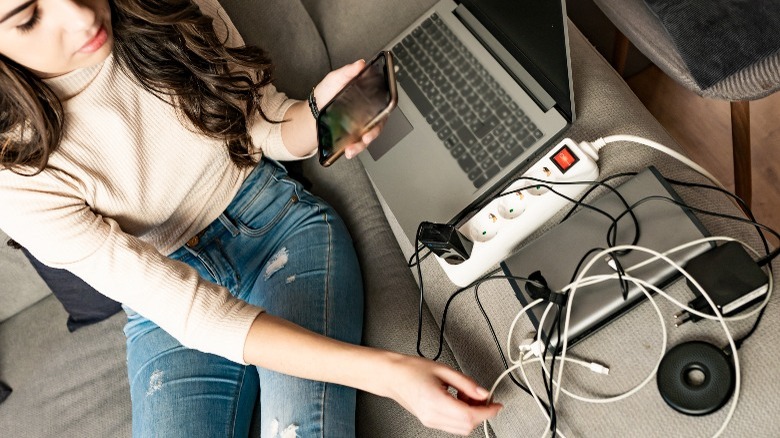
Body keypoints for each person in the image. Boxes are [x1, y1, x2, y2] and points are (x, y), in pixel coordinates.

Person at [0, 0, 502, 436]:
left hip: (276, 225)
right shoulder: (11, 173)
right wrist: (388, 373)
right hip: (164, 297)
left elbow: (264, 127)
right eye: (28, 18)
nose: (83, 15)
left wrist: (321, 113)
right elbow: (189, 310)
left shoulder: (165, 10)